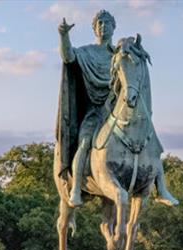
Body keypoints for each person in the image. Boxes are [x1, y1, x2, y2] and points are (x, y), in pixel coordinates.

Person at [56, 10, 119, 209]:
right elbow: (68, 57)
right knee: (84, 144)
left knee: (143, 139)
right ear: (94, 29)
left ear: (113, 27)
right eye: (99, 23)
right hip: (94, 112)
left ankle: (153, 184)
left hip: (116, 114)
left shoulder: (119, 56)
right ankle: (75, 189)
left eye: (107, 23)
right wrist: (64, 36)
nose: (103, 27)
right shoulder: (87, 52)